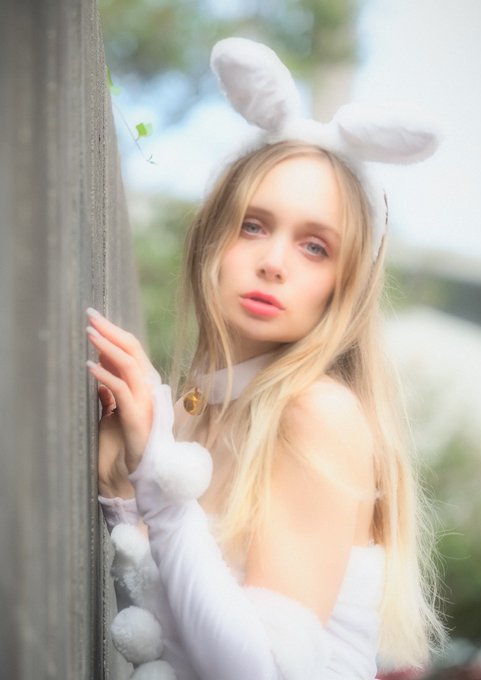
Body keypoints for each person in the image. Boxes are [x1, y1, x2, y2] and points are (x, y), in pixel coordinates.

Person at [86, 37, 445, 680]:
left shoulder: (318, 413)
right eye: (253, 225)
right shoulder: (199, 408)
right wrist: (121, 492)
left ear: (344, 284)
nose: (273, 262)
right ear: (211, 238)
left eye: (315, 246)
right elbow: (167, 645)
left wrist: (158, 484)